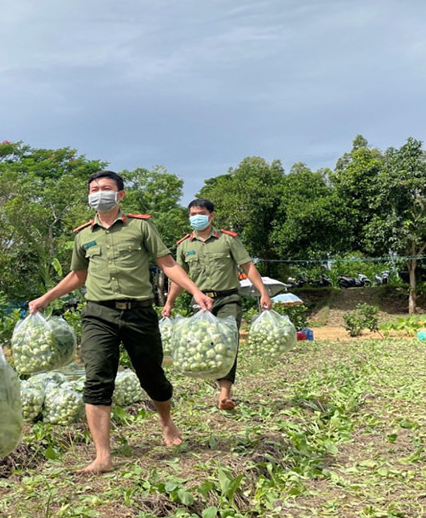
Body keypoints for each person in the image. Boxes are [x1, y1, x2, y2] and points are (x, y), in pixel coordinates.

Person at [28, 170, 213, 474]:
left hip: (139, 313)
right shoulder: (83, 235)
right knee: (97, 379)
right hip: (98, 314)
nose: (98, 193)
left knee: (152, 376)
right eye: (94, 189)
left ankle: (166, 422)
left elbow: (167, 263)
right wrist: (45, 298)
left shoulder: (140, 227)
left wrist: (195, 291)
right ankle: (103, 455)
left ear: (120, 195)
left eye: (105, 188)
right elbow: (78, 275)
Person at [163, 198, 271, 411]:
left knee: (227, 340)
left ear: (211, 216)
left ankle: (225, 393)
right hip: (201, 303)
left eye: (201, 214)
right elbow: (178, 277)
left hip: (228, 298)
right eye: (192, 214)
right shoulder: (184, 245)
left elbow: (247, 266)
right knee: (205, 343)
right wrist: (169, 302)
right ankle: (214, 378)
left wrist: (263, 292)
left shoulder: (227, 240)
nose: (196, 218)